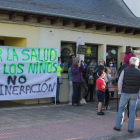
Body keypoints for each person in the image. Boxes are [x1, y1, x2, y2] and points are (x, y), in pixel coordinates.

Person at [114, 57, 140, 133]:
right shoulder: (139, 72)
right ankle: (130, 128)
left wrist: (120, 91)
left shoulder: (125, 70)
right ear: (137, 63)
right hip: (134, 93)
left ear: (130, 62)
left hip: (125, 93)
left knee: (121, 109)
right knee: (132, 111)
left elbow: (120, 82)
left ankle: (118, 126)